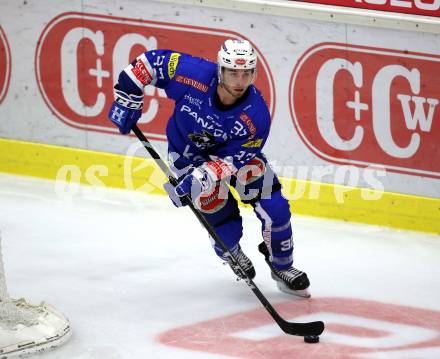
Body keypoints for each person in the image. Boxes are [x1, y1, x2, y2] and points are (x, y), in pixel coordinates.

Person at [108, 39, 310, 297]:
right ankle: (230, 250)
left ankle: (283, 266)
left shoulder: (256, 115)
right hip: (187, 154)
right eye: (233, 73)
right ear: (220, 70)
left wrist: (201, 178)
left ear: (254, 74)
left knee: (276, 207)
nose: (239, 81)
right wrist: (129, 98)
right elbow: (146, 64)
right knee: (219, 218)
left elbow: (237, 159)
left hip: (231, 158)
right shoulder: (192, 74)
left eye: (246, 73)